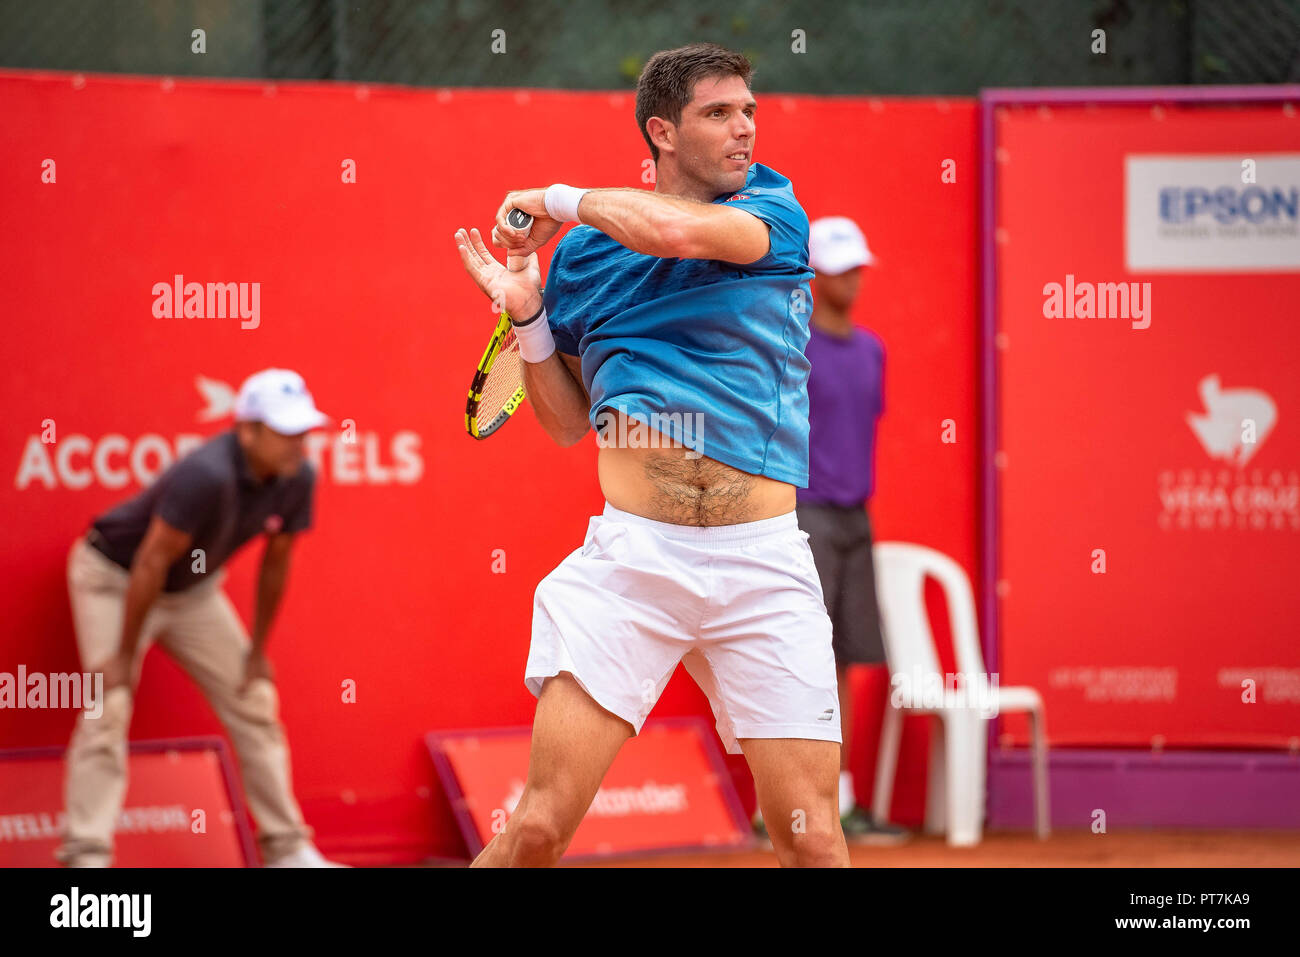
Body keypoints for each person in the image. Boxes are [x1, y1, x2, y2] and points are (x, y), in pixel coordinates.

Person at [454, 42, 849, 867]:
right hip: (635, 560)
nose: (744, 130)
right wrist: (529, 316)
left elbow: (671, 230)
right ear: (662, 132)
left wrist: (555, 196)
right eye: (719, 114)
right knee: (536, 829)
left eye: (749, 111)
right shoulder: (586, 258)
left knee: (810, 839)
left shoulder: (774, 211)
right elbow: (566, 423)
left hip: (763, 566)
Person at [56, 368, 344, 868]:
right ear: (246, 430)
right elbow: (149, 562)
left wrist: (255, 654)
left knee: (253, 696)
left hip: (190, 591)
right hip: (115, 577)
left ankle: (287, 849)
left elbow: (276, 562)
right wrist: (123, 659)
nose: (298, 444)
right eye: (285, 432)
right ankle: (86, 856)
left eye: (303, 431)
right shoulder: (206, 474)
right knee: (110, 703)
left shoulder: (299, 475)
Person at [792, 216, 907, 844]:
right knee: (799, 661)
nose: (852, 279)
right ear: (812, 276)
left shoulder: (872, 350)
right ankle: (788, 806)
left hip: (856, 519)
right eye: (838, 268)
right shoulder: (792, 348)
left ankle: (842, 800)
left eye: (857, 265)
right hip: (802, 516)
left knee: (845, 661)